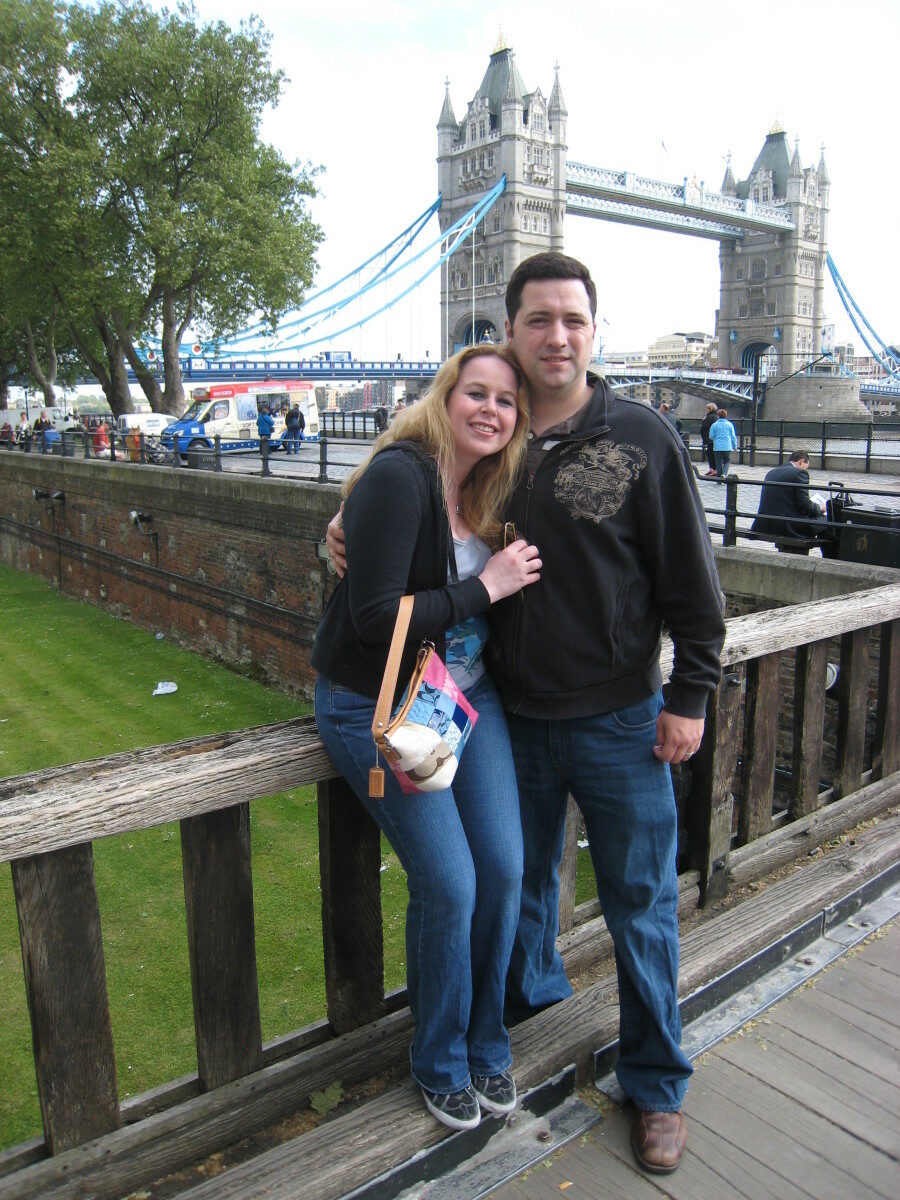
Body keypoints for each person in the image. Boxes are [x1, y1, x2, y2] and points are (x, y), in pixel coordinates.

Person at [328, 252, 726, 1175]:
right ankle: (508, 1034)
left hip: (623, 719)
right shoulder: (488, 453)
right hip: (500, 712)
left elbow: (692, 584)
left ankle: (658, 1082)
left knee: (641, 903)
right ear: (510, 330)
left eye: (573, 321)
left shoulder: (642, 438)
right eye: (538, 319)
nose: (556, 336)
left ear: (594, 331)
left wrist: (692, 695)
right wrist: (337, 531)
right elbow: (408, 529)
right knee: (518, 889)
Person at [312, 344, 542, 1133]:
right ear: (443, 399)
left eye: (506, 401)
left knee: (505, 872)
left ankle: (486, 1040)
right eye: (473, 393)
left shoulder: (489, 486)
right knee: (451, 885)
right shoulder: (399, 475)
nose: (490, 409)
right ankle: (439, 1059)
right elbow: (377, 617)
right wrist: (488, 585)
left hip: (464, 705)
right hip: (381, 706)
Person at [751, 451, 829, 547]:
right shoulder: (800, 473)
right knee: (828, 521)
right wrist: (820, 509)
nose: (806, 470)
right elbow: (805, 505)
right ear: (801, 461)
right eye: (806, 467)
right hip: (787, 526)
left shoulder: (771, 472)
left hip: (766, 524)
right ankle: (830, 558)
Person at [708, 407, 737, 478]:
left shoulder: (714, 425)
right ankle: (724, 474)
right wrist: (735, 446)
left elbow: (711, 436)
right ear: (726, 416)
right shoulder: (730, 425)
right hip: (727, 446)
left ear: (718, 416)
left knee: (718, 462)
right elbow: (733, 437)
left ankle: (718, 477)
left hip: (717, 447)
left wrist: (716, 439)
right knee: (727, 461)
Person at [699, 402, 719, 475]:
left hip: (710, 438)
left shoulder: (710, 417)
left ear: (710, 409)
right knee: (711, 453)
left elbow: (704, 426)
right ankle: (713, 469)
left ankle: (713, 469)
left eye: (707, 408)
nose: (706, 410)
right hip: (712, 438)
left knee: (711, 454)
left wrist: (703, 420)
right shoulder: (715, 417)